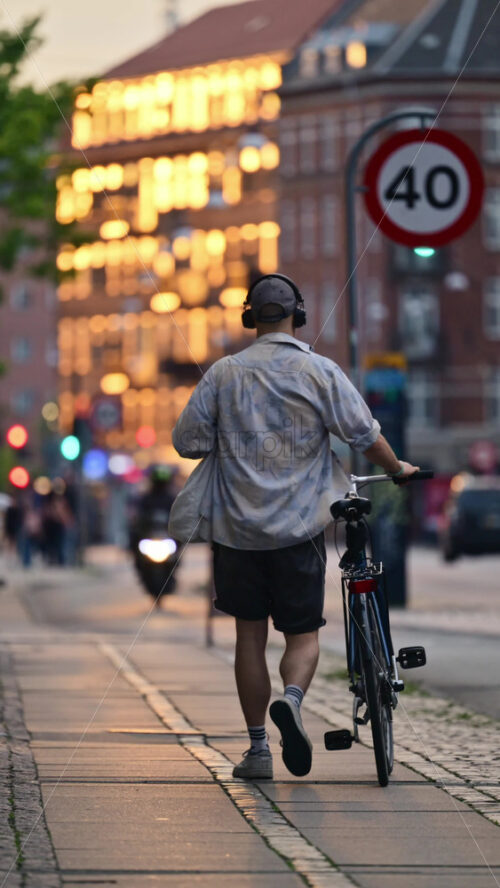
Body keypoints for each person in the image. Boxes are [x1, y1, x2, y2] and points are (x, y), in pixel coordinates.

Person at [172, 273, 419, 780]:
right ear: (297, 316)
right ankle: (292, 699)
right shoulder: (319, 371)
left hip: (237, 532)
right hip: (299, 529)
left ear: (249, 317)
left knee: (249, 636)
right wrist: (397, 470)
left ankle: (258, 749)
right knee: (302, 635)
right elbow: (363, 435)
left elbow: (188, 442)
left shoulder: (223, 374)